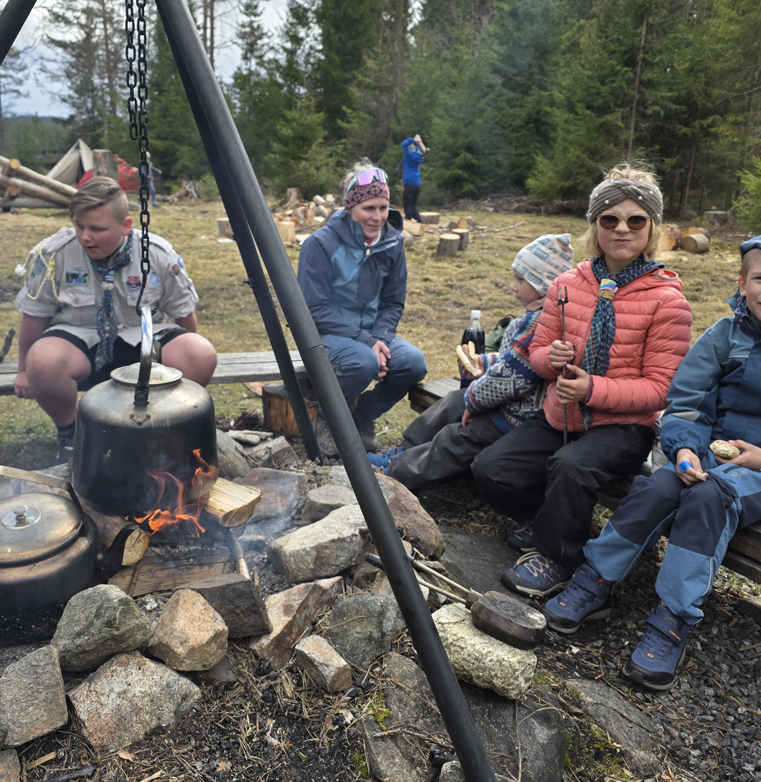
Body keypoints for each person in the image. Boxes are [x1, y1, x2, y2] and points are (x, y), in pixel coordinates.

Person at [540, 227, 761, 691]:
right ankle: (596, 578)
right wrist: (684, 447)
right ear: (742, 283)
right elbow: (687, 401)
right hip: (708, 457)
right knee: (657, 487)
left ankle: (672, 617)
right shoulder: (724, 336)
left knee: (710, 497)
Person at [473, 165, 693, 597]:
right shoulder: (566, 284)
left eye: (636, 220)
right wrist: (549, 359)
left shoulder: (668, 301)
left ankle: (558, 558)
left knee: (570, 467)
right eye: (610, 219)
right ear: (595, 225)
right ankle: (546, 521)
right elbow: (537, 354)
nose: (622, 229)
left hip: (623, 428)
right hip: (561, 415)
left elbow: (660, 389)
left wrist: (592, 389)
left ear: (652, 228)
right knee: (491, 469)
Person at [13, 179, 218, 457]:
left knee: (200, 353)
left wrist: (190, 357)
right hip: (80, 340)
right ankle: (72, 434)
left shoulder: (157, 254)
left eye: (97, 229)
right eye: (79, 226)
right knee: (42, 361)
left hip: (142, 341)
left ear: (126, 226)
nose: (85, 236)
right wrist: (24, 370)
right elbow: (35, 314)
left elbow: (184, 313)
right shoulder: (55, 254)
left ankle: (160, 429)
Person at [369, 233, 574, 490]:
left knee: (456, 437)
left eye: (521, 280)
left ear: (543, 283)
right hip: (511, 403)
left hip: (520, 415)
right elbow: (512, 360)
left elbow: (511, 379)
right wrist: (483, 362)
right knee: (452, 402)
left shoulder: (540, 322)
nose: (513, 287)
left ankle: (394, 474)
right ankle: (405, 450)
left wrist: (474, 400)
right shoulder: (536, 315)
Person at [297, 162, 427, 458]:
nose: (378, 217)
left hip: (372, 334)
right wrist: (368, 343)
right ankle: (328, 419)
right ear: (350, 207)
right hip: (326, 334)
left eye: (383, 207)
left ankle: (363, 415)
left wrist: (379, 338)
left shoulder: (392, 242)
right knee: (363, 361)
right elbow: (312, 310)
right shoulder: (320, 244)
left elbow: (393, 302)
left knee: (413, 363)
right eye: (369, 208)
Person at [400, 135, 425, 222]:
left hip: (409, 182)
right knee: (413, 204)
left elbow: (403, 145)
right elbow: (417, 149)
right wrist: (417, 142)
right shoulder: (418, 155)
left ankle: (408, 218)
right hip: (417, 183)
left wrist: (413, 140)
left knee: (407, 202)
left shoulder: (409, 155)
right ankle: (418, 219)